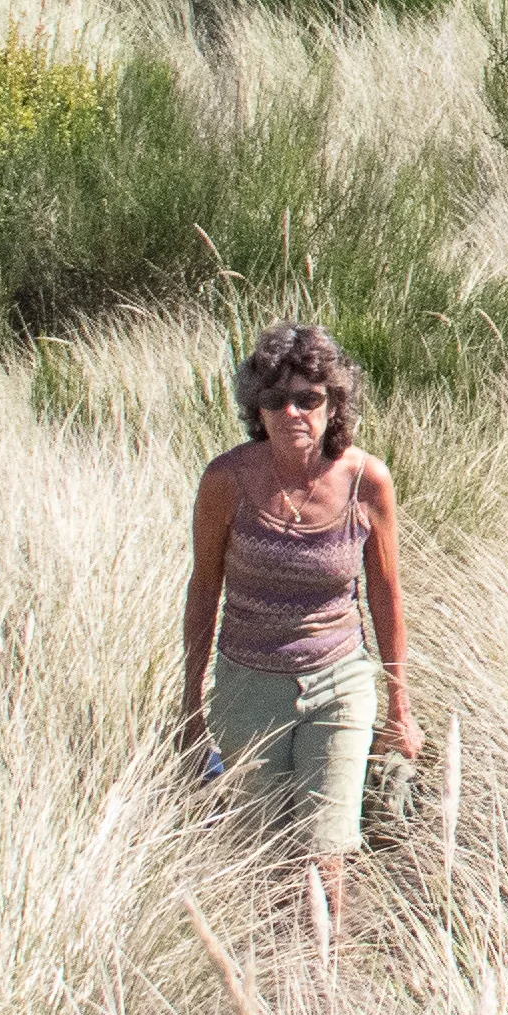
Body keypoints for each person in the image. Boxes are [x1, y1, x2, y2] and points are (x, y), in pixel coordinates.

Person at [181, 322, 420, 922]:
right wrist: (190, 703)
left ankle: (325, 977)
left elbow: (386, 594)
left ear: (333, 404)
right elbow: (204, 587)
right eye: (275, 400)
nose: (292, 412)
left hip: (339, 683)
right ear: (255, 409)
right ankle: (269, 977)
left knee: (325, 851)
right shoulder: (225, 481)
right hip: (248, 687)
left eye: (308, 398)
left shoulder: (368, 482)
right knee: (262, 851)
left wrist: (400, 707)